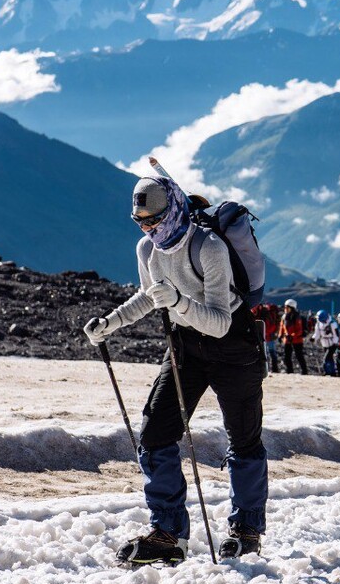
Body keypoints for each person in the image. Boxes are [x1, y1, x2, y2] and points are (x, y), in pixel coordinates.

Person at [83, 175, 266, 564]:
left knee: (244, 439)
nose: (149, 229)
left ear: (175, 208)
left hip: (233, 346)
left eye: (155, 219)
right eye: (141, 222)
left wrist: (179, 302)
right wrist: (110, 323)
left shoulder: (210, 247)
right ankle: (168, 533)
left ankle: (246, 530)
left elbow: (219, 322)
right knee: (154, 434)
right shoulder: (147, 249)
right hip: (185, 347)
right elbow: (149, 296)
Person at [278, 299, 308, 375]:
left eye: (287, 307)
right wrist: (280, 335)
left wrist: (292, 336)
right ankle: (289, 371)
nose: (285, 309)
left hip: (297, 340)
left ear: (292, 308)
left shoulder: (297, 317)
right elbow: (282, 327)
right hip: (287, 340)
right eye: (285, 307)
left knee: (299, 356)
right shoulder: (284, 317)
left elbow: (299, 330)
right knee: (287, 357)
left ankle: (304, 371)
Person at [252, 303, 281, 379]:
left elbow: (268, 326)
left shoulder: (263, 314)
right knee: (271, 353)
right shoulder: (264, 313)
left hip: (266, 337)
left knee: (267, 353)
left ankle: (270, 369)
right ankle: (274, 369)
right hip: (268, 337)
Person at [311, 310, 340, 376]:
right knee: (330, 358)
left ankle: (326, 371)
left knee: (326, 358)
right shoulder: (318, 324)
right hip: (324, 343)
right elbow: (317, 333)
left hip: (332, 344)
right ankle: (333, 372)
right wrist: (313, 338)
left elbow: (336, 335)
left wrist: (335, 343)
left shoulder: (332, 324)